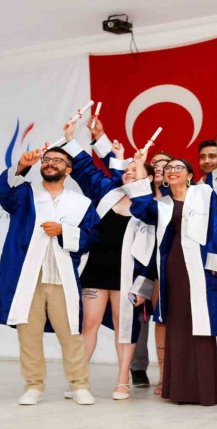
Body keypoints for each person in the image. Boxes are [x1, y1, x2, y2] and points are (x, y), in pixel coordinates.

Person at [0, 147, 99, 407]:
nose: (50, 163)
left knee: (71, 334)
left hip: (62, 277)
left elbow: (92, 237)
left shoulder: (81, 203)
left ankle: (79, 385)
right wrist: (21, 167)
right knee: (29, 334)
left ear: (68, 170)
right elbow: (4, 193)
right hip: (29, 276)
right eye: (47, 160)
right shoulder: (25, 194)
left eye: (58, 160)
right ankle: (33, 385)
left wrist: (64, 231)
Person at [127, 153, 217, 406]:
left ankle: (204, 389)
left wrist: (216, 266)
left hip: (201, 266)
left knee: (201, 322)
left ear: (190, 175)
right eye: (169, 168)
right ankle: (179, 389)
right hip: (173, 265)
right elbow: (140, 206)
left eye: (179, 167)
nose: (172, 170)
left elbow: (216, 228)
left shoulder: (204, 193)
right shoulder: (162, 204)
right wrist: (140, 167)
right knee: (177, 321)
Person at [64, 121, 156, 400]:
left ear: (148, 178)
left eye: (135, 170)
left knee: (124, 327)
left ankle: (122, 381)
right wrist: (70, 140)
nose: (128, 172)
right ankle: (79, 381)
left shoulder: (150, 206)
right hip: (95, 271)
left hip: (127, 277)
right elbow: (85, 169)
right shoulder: (106, 192)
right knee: (88, 325)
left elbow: (152, 252)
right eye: (126, 170)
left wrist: (143, 287)